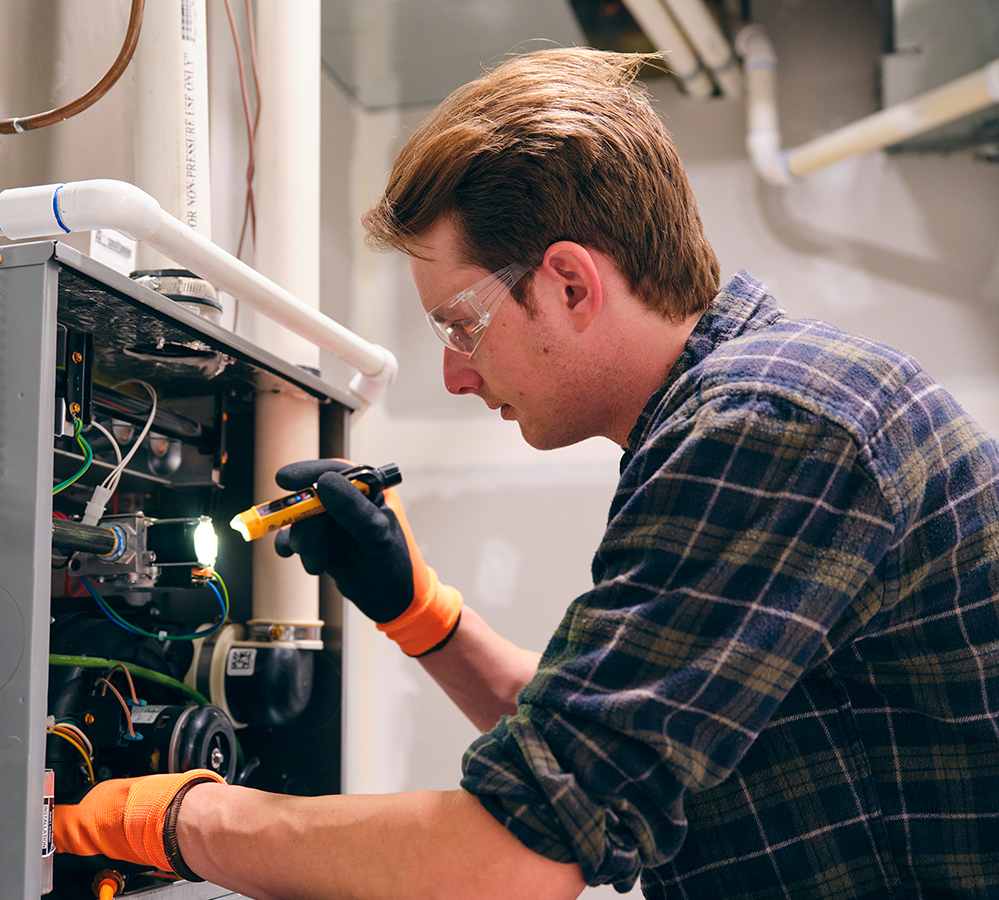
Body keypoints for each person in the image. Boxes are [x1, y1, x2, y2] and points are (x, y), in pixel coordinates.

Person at [55, 48, 999, 899]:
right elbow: (595, 756)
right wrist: (417, 609)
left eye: (462, 326)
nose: (456, 374)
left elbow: (512, 856)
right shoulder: (755, 408)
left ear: (572, 283)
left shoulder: (770, 425)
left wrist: (174, 821)